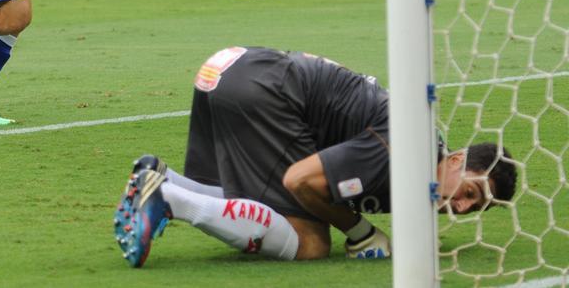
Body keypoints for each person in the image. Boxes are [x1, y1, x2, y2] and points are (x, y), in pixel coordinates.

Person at [113, 45, 517, 266]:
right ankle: (169, 199)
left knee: (259, 204)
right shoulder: (406, 151)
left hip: (232, 69)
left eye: (474, 208)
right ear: (455, 160)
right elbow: (299, 180)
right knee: (311, 242)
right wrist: (359, 231)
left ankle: (163, 179)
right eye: (470, 192)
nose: (461, 207)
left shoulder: (419, 155)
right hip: (263, 91)